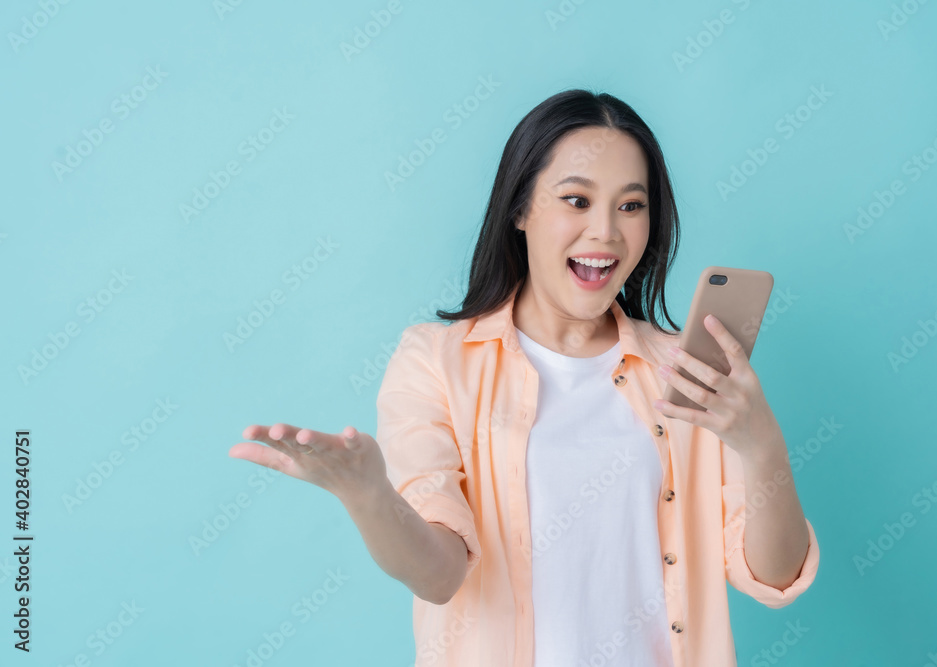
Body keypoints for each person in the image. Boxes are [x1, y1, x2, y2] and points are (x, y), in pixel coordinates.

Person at [229, 89, 820, 667]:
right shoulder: (436, 361)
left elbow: (772, 575)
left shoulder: (689, 374)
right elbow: (440, 574)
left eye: (631, 205)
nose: (606, 233)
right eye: (576, 200)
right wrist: (367, 495)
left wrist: (760, 441)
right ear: (521, 209)